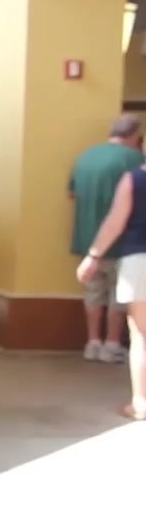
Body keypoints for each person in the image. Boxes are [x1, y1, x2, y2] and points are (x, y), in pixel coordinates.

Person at [69, 114, 145, 363]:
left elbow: (71, 192)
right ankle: (112, 344)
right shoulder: (134, 159)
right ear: (135, 134)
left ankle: (92, 342)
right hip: (124, 241)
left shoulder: (85, 156)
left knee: (92, 292)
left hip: (87, 237)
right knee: (118, 295)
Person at [77, 153, 146, 421]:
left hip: (139, 260)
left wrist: (94, 255)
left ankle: (141, 401)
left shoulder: (134, 179)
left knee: (142, 334)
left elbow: (116, 221)